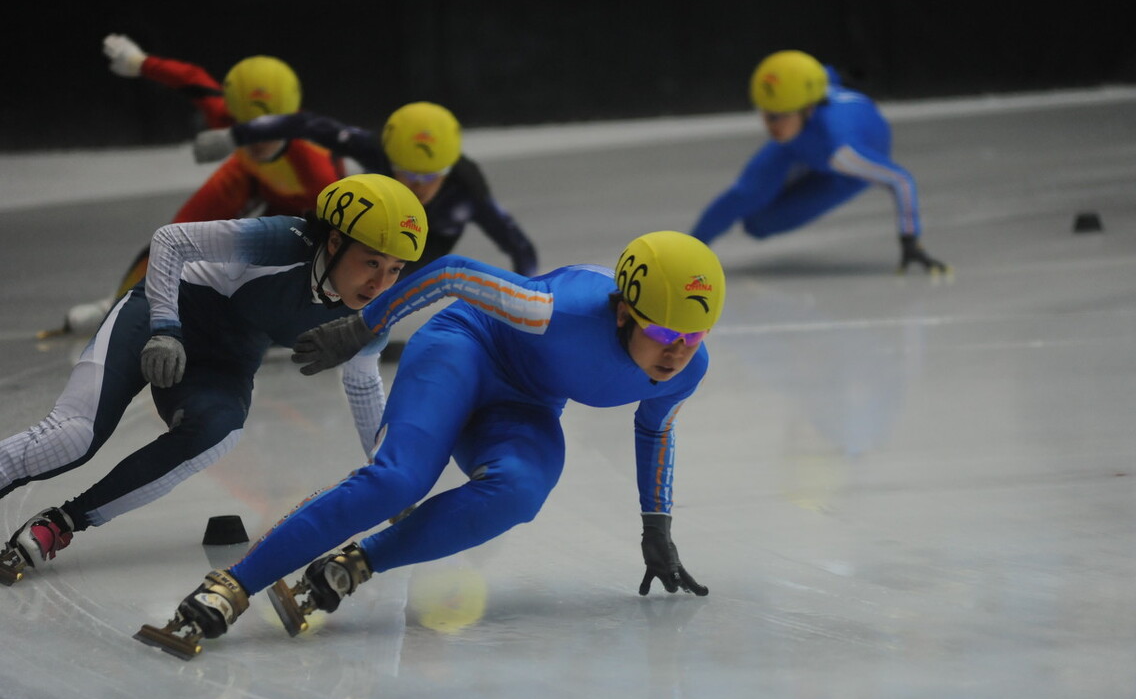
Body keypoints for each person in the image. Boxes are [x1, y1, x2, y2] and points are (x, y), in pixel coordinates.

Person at [135, 230, 722, 659]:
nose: (677, 352)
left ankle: (355, 565)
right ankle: (233, 585)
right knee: (399, 480)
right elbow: (452, 273)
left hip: (525, 405)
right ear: (622, 313)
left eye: (693, 337)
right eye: (663, 332)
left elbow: (656, 429)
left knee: (521, 492)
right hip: (465, 349)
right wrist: (362, 325)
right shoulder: (556, 310)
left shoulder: (688, 369)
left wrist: (657, 526)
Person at [0, 174, 428, 586]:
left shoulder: (372, 316)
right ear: (334, 242)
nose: (380, 284)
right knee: (73, 436)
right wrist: (166, 327)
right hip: (163, 311)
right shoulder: (282, 240)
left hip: (224, 357)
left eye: (395, 269)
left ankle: (62, 523)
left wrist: (387, 475)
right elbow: (170, 240)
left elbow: (363, 385)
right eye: (371, 262)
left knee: (219, 431)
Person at [46, 35, 342, 338]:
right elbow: (194, 80)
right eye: (246, 129)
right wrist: (139, 62)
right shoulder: (227, 118)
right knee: (174, 237)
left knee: (290, 254)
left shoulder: (317, 170)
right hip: (247, 177)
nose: (256, 142)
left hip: (304, 207)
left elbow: (345, 236)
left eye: (267, 132)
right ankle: (119, 304)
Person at [193, 100, 539, 278]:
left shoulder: (470, 190)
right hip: (382, 211)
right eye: (406, 172)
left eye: (431, 176)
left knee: (378, 275)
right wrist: (235, 136)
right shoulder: (374, 149)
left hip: (428, 239)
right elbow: (307, 124)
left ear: (448, 171)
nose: (417, 186)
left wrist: (526, 308)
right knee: (318, 242)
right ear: (389, 158)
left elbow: (521, 248)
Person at [689, 49, 948, 273]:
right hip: (801, 144)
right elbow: (817, 74)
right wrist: (842, 74)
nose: (770, 125)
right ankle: (691, 250)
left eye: (779, 116)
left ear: (809, 108)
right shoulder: (801, 99)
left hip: (845, 173)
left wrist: (909, 241)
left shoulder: (842, 150)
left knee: (759, 225)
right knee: (745, 195)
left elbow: (901, 180)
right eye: (765, 114)